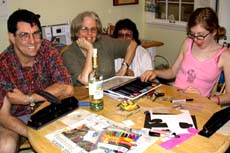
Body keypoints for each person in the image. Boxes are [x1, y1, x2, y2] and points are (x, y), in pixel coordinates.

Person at [0, 9, 74, 152]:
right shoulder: (3, 65)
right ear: (12, 37)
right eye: (24, 35)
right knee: (5, 144)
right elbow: (4, 117)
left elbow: (67, 88)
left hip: (48, 112)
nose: (32, 41)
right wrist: (36, 135)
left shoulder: (48, 50)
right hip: (17, 119)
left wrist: (29, 99)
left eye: (35, 33)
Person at [141, 7, 230, 105]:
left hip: (198, 105)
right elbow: (172, 72)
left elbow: (229, 96)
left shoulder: (224, 55)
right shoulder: (188, 43)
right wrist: (155, 72)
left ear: (214, 32)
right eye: (192, 34)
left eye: (201, 35)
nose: (196, 39)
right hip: (174, 99)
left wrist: (206, 99)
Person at [62, 11, 137, 86]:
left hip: (112, 92)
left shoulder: (105, 43)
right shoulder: (68, 54)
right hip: (86, 96)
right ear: (76, 32)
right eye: (84, 29)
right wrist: (90, 50)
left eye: (93, 29)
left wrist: (123, 69)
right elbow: (86, 81)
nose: (89, 33)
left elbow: (132, 44)